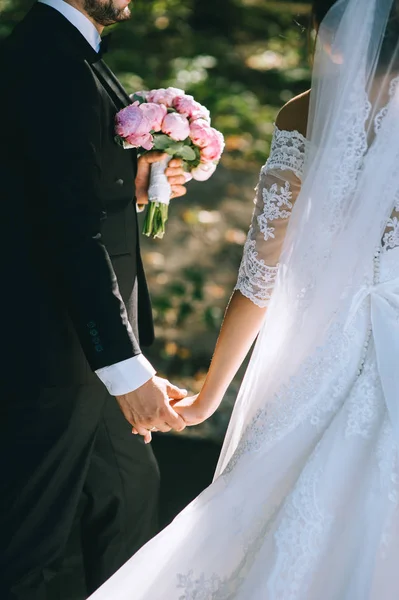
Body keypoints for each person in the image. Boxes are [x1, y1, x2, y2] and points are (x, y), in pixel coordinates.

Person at [87, 0, 399, 598]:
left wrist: (210, 396)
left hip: (325, 364)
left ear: (336, 37)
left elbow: (260, 276)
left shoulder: (308, 116)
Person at [0, 0, 191, 598]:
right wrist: (125, 366)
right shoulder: (47, 58)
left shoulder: (76, 52)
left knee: (130, 514)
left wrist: (130, 187)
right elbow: (64, 231)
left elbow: (51, 192)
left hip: (93, 356)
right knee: (26, 553)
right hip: (57, 353)